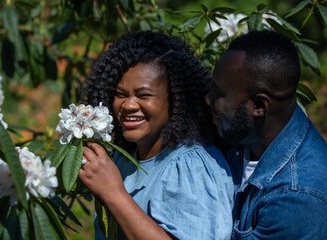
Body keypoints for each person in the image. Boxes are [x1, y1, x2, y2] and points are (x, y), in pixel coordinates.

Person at [78, 30, 233, 240]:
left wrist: (112, 192)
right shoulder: (124, 158)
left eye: (144, 95)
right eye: (120, 94)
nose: (129, 105)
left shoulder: (191, 167)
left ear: (176, 100)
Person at [205, 30, 327, 239]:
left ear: (260, 105)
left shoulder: (296, 198)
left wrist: (126, 200)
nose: (208, 99)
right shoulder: (244, 136)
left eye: (218, 93)